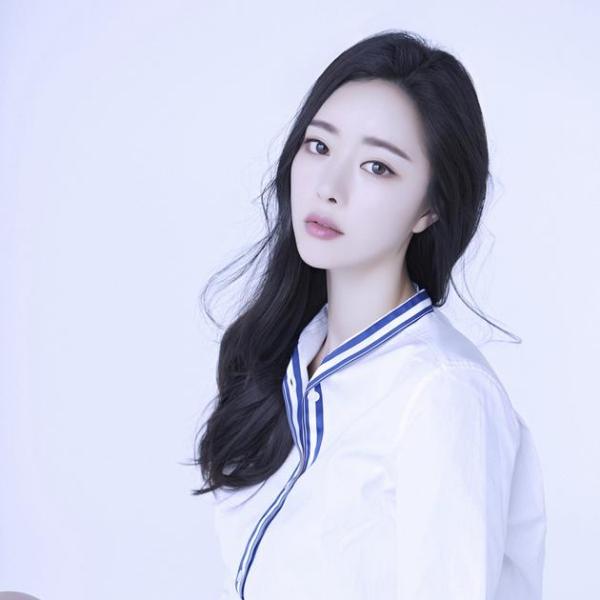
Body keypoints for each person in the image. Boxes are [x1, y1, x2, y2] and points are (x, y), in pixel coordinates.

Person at [190, 30, 547, 600]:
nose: (329, 187)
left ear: (430, 208)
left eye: (377, 167)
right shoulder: (291, 357)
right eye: (319, 146)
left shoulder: (442, 393)